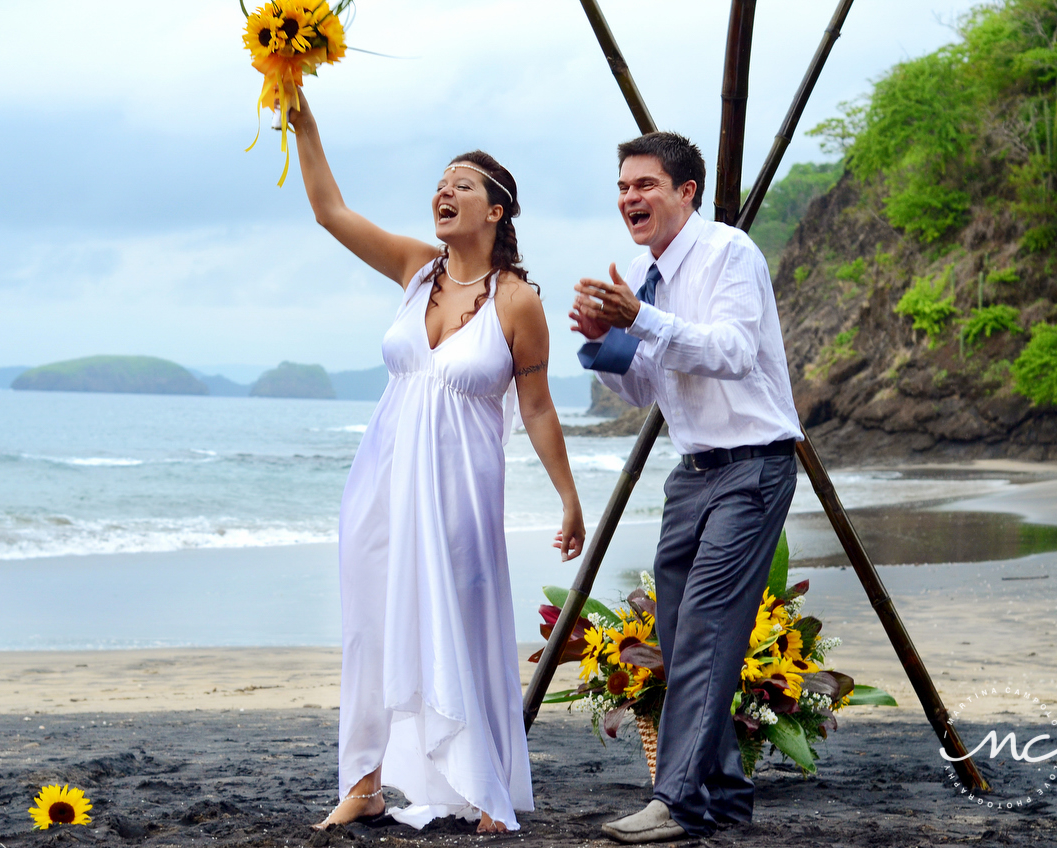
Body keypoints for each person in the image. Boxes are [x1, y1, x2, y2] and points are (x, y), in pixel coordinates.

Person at [286, 90, 586, 834]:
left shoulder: (516, 302)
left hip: (458, 489)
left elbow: (539, 409)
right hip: (382, 479)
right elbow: (331, 212)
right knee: (369, 625)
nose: (444, 193)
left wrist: (569, 500)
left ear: (497, 212)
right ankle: (364, 781)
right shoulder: (416, 270)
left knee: (461, 617)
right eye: (440, 184)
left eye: (463, 185)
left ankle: (482, 783)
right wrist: (307, 126)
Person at [569, 132, 801, 843]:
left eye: (644, 185)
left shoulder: (730, 253)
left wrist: (640, 318)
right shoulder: (645, 275)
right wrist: (604, 341)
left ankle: (671, 801)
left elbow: (730, 351)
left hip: (753, 467)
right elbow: (645, 385)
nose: (629, 198)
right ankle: (721, 797)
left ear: (685, 192)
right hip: (692, 472)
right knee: (680, 635)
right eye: (623, 187)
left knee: (704, 628)